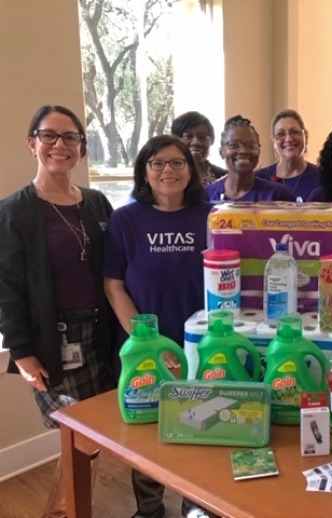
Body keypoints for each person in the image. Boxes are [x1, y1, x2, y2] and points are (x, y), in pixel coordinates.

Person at [0, 105, 116, 518]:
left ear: (82, 149)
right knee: (79, 436)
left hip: (102, 338)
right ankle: (66, 510)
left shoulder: (99, 204)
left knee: (92, 434)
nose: (60, 145)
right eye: (49, 136)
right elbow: (7, 289)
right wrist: (21, 351)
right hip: (53, 341)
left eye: (70, 138)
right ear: (32, 144)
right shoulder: (14, 211)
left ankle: (65, 509)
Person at [103, 135, 215, 518]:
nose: (168, 170)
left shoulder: (212, 216)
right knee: (145, 431)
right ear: (145, 172)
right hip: (145, 345)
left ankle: (193, 507)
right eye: (157, 163)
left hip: (201, 345)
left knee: (199, 426)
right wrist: (145, 339)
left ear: (191, 169)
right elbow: (113, 285)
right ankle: (149, 510)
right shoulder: (125, 220)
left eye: (177, 162)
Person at [205, 115, 296, 203]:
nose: (243, 151)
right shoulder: (207, 195)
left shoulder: (278, 195)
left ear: (259, 151)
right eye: (234, 145)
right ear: (221, 152)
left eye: (251, 145)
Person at [253, 109, 320, 202]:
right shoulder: (258, 179)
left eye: (295, 132)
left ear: (306, 137)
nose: (288, 139)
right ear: (273, 141)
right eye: (280, 134)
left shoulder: (322, 178)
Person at [171, 111, 226, 185]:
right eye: (188, 136)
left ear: (211, 140)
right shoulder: (168, 176)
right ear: (175, 140)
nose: (196, 142)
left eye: (202, 137)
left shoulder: (223, 178)